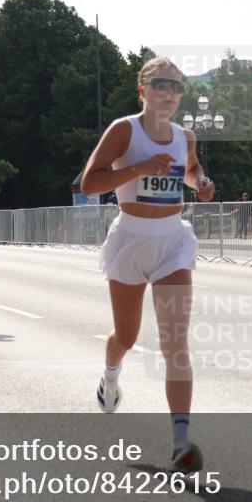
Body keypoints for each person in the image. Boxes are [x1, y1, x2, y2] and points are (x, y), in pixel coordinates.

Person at [80, 56, 215, 474]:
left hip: (173, 241)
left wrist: (201, 184)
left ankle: (181, 442)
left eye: (176, 86)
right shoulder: (125, 130)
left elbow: (190, 171)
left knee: (176, 341)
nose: (169, 93)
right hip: (132, 240)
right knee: (127, 333)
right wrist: (137, 168)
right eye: (160, 84)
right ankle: (111, 374)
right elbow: (89, 183)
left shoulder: (184, 136)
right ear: (143, 89)